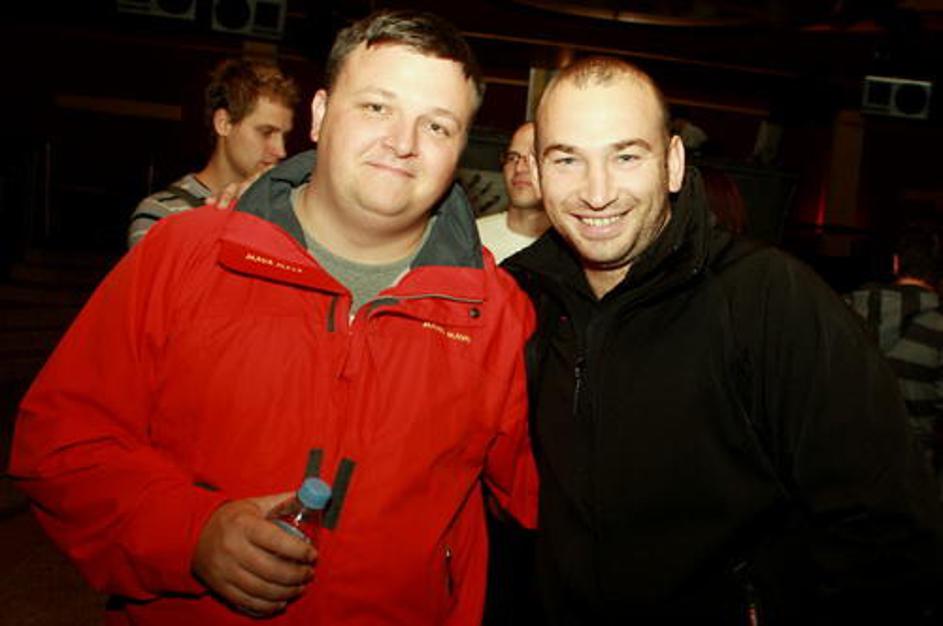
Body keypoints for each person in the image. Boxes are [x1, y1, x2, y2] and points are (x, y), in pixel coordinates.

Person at [9, 10, 537, 626]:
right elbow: (62, 446)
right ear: (319, 114)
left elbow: (551, 498)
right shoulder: (186, 255)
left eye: (438, 125)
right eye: (376, 107)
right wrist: (193, 532)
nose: (403, 142)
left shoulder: (497, 313)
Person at [503, 56, 943, 624]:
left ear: (673, 164)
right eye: (568, 160)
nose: (598, 192)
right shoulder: (524, 299)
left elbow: (887, 528)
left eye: (627, 156)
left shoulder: (768, 298)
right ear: (538, 174)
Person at [127, 58, 298, 247]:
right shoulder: (161, 213)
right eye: (266, 132)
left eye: (284, 136)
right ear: (223, 124)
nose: (281, 150)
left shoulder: (283, 208)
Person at [846, 224, 943, 496]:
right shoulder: (939, 329)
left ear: (896, 263)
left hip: (846, 473)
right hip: (913, 480)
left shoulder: (845, 310)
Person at [476, 122, 550, 263]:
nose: (519, 168)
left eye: (534, 159)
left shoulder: (577, 249)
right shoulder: (471, 239)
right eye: (512, 158)